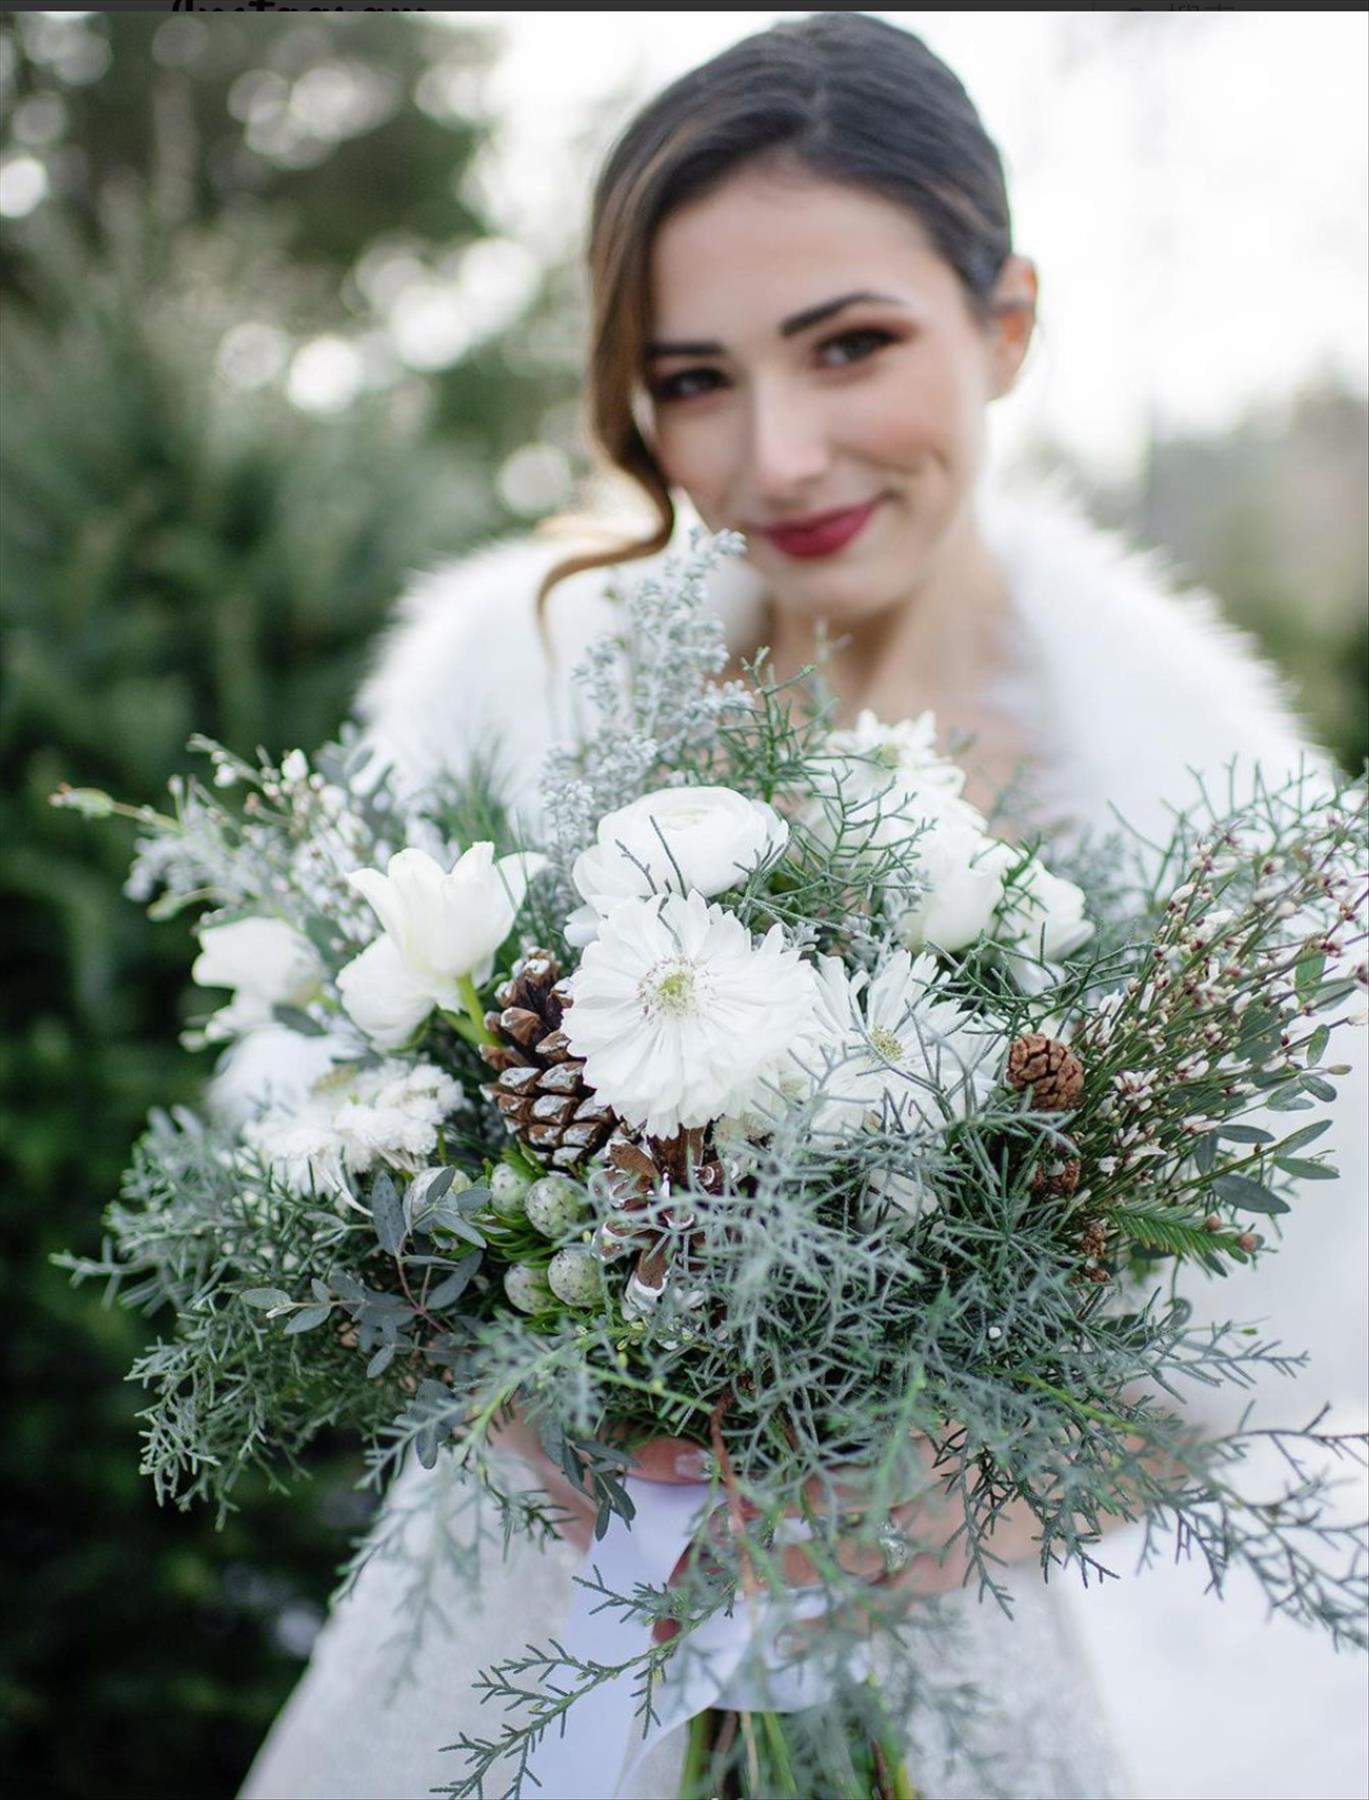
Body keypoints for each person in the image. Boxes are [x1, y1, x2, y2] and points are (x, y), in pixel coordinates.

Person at [239, 14, 1368, 1799]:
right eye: (693, 379)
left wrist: (976, 1491)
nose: (776, 457)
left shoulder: (1187, 813)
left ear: (1003, 328)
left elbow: (1290, 1333)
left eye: (850, 345)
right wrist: (513, 1370)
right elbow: (307, 1116)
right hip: (521, 1641)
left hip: (958, 1667)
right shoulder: (509, 698)